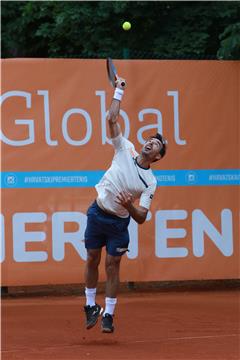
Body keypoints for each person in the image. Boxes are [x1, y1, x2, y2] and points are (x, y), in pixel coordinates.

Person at [83, 75, 167, 333]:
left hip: (119, 222)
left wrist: (130, 206)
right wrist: (118, 92)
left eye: (156, 144)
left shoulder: (149, 182)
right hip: (98, 212)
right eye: (151, 139)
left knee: (112, 264)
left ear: (157, 157)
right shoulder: (125, 148)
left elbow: (141, 216)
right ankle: (89, 306)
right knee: (92, 259)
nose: (151, 141)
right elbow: (111, 119)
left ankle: (108, 313)